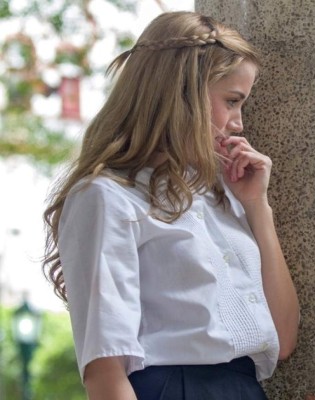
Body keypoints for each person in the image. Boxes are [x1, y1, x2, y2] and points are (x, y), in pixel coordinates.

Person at [42, 11, 299, 400]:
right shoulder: (105, 197)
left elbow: (284, 339)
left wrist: (257, 208)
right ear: (183, 93)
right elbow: (105, 372)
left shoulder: (221, 194)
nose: (239, 123)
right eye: (232, 101)